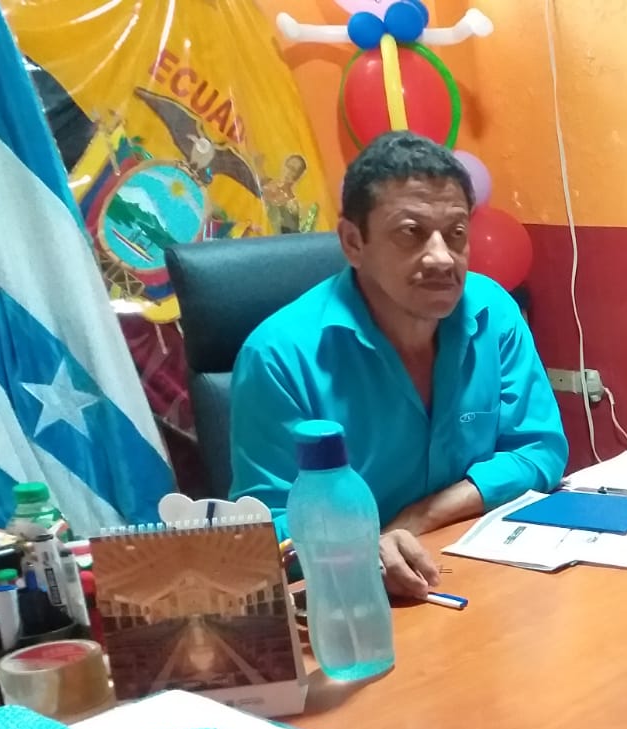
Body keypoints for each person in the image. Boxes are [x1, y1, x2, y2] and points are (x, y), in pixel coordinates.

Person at [230, 131, 569, 599]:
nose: (442, 257)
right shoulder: (278, 356)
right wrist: (363, 546)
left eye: (456, 233)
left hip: (477, 575)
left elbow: (539, 450)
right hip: (354, 601)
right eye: (411, 233)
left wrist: (424, 515)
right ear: (353, 242)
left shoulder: (494, 312)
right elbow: (267, 534)